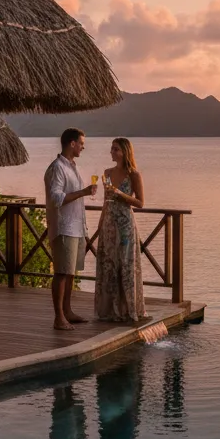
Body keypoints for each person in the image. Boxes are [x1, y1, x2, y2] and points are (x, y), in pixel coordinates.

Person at [44, 128, 96, 330]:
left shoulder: (72, 166)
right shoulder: (57, 167)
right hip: (64, 227)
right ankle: (59, 318)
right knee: (61, 273)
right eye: (81, 143)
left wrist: (83, 193)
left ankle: (68, 311)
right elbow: (56, 197)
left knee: (71, 272)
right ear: (72, 143)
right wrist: (83, 192)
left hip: (76, 226)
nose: (83, 146)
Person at [94, 137, 147, 323]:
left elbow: (140, 202)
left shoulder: (134, 175)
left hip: (125, 223)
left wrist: (120, 194)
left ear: (125, 152)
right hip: (109, 222)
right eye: (111, 149)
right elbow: (105, 201)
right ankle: (109, 310)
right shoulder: (106, 173)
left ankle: (128, 308)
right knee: (109, 264)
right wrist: (100, 226)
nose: (112, 152)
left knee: (125, 264)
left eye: (115, 149)